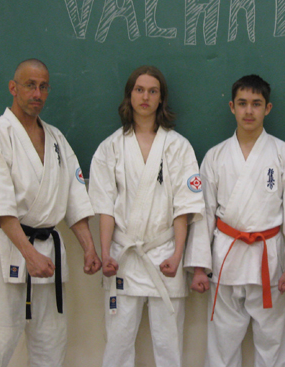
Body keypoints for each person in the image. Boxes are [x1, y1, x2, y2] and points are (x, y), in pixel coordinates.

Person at [0, 58, 102, 367]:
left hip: (49, 257)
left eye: (43, 87)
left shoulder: (56, 139)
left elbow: (73, 197)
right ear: (13, 88)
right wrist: (29, 254)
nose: (37, 94)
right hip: (9, 253)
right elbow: (2, 207)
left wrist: (89, 248)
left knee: (51, 345)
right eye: (30, 85)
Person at [184, 74, 285, 367]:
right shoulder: (215, 156)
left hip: (270, 261)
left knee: (273, 343)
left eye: (256, 103)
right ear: (232, 107)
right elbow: (204, 213)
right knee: (222, 344)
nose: (249, 111)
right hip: (226, 259)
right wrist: (199, 267)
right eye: (242, 103)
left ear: (268, 108)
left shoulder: (284, 153)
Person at [88, 65, 204, 367]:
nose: (145, 97)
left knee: (169, 346)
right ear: (130, 95)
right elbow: (105, 207)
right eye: (139, 90)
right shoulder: (110, 147)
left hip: (165, 252)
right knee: (118, 343)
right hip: (123, 256)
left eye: (153, 91)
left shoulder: (178, 147)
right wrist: (105, 253)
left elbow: (183, 208)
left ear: (161, 98)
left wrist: (178, 255)